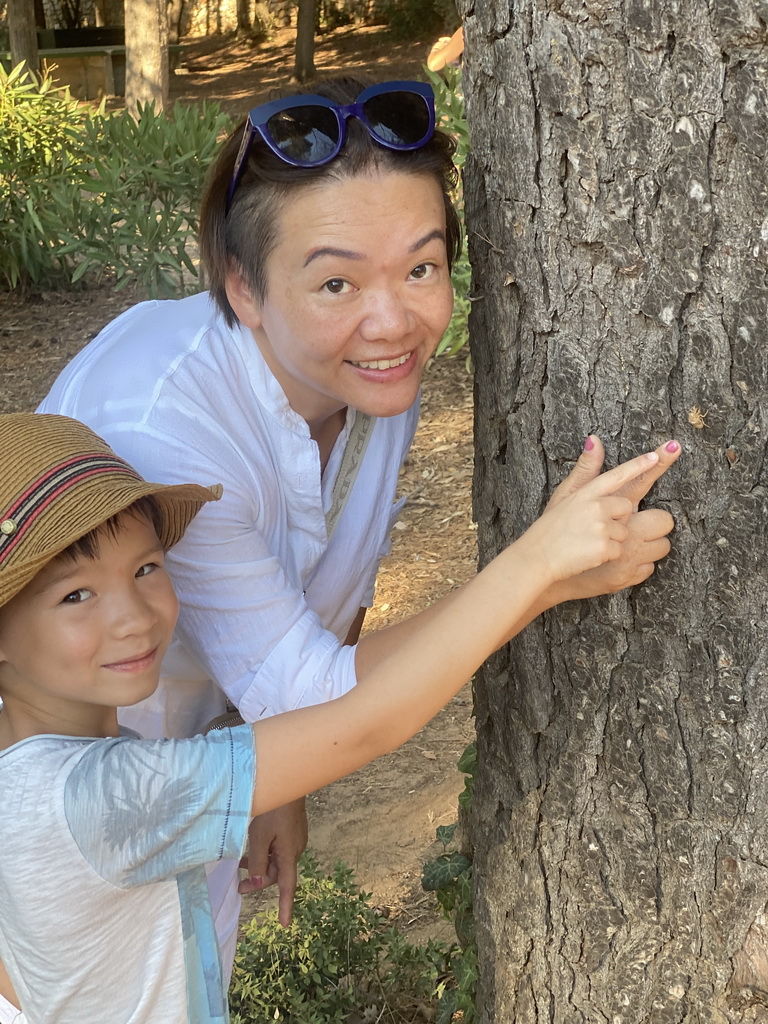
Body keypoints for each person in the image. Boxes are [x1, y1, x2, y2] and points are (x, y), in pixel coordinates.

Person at [39, 75, 680, 977]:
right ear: (243, 287)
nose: (395, 319)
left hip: (202, 774)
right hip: (67, 822)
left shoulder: (367, 368)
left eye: (422, 267)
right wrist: (538, 569)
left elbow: (340, 566)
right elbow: (318, 702)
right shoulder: (164, 431)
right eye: (336, 279)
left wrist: (276, 776)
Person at [0, 413, 679, 1024]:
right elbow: (362, 723)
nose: (133, 615)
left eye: (146, 567)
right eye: (76, 594)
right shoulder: (93, 801)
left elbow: (326, 701)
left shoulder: (36, 772)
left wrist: (547, 583)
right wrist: (534, 561)